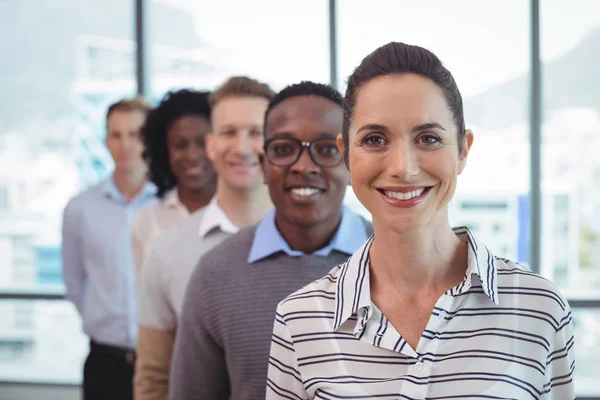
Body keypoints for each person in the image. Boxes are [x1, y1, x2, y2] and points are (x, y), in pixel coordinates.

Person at [266, 42, 575, 399]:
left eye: (428, 138)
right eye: (375, 139)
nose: (403, 167)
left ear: (463, 150)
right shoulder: (300, 320)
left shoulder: (540, 308)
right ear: (346, 154)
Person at [169, 81, 373, 400]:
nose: (304, 166)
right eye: (283, 149)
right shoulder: (214, 274)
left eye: (326, 149)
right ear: (263, 166)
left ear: (351, 164)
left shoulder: (396, 257)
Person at [133, 76, 275, 400]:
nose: (241, 147)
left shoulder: (318, 242)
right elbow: (154, 378)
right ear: (211, 144)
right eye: (228, 132)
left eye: (255, 133)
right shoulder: (167, 250)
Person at [61, 97, 156, 400]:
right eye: (116, 135)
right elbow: (74, 283)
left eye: (135, 134)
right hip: (105, 362)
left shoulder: (171, 205)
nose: (125, 144)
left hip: (161, 361)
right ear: (105, 141)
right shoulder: (80, 208)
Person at [132, 89, 216, 280]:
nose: (192, 155)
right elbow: (147, 303)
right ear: (163, 150)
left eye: (202, 144)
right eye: (180, 145)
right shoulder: (147, 222)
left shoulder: (244, 215)